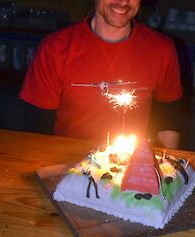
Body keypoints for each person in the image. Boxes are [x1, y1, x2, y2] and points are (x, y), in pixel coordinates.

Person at [19, 0, 183, 149]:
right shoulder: (55, 49)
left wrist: (168, 171)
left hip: (132, 165)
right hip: (70, 163)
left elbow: (168, 118)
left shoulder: (161, 49)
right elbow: (36, 129)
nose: (124, 2)